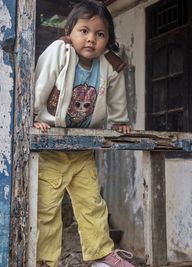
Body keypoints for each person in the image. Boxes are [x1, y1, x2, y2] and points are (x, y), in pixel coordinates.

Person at [34, 0, 135, 266]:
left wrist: (120, 121)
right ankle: (45, 259)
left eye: (99, 34)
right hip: (51, 149)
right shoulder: (60, 51)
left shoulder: (109, 65)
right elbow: (41, 82)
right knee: (46, 208)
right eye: (84, 31)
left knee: (92, 203)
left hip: (81, 151)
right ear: (70, 31)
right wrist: (33, 117)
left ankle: (101, 252)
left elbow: (116, 97)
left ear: (107, 39)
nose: (91, 39)